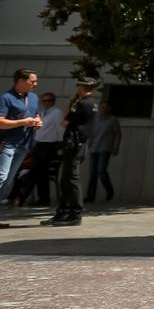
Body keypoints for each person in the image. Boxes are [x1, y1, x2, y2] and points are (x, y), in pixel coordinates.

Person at [45, 77, 97, 226]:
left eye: (78, 85)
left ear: (82, 87)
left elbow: (64, 122)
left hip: (74, 144)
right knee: (66, 180)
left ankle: (74, 214)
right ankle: (63, 212)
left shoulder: (81, 103)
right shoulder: (92, 103)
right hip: (79, 143)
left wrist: (72, 104)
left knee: (71, 180)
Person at [0, 70, 42, 204]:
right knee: (1, 177)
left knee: (8, 180)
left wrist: (38, 122)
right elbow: (1, 122)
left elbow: (36, 115)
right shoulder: (6, 98)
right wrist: (22, 122)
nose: (36, 84)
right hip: (7, 144)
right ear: (20, 81)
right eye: (32, 81)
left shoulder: (34, 98)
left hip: (24, 145)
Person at [18, 92, 62, 206]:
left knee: (38, 171)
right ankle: (38, 198)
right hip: (38, 144)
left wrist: (58, 146)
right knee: (38, 172)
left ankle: (24, 196)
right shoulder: (42, 113)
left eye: (49, 100)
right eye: (44, 101)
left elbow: (60, 130)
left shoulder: (57, 113)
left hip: (49, 145)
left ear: (53, 101)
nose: (46, 103)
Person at [84, 100, 121, 203]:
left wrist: (116, 147)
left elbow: (118, 134)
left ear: (109, 108)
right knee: (92, 173)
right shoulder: (95, 119)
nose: (103, 109)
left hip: (105, 148)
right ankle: (90, 196)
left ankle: (109, 189)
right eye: (102, 107)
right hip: (94, 148)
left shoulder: (113, 120)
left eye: (106, 107)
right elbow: (90, 132)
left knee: (101, 170)